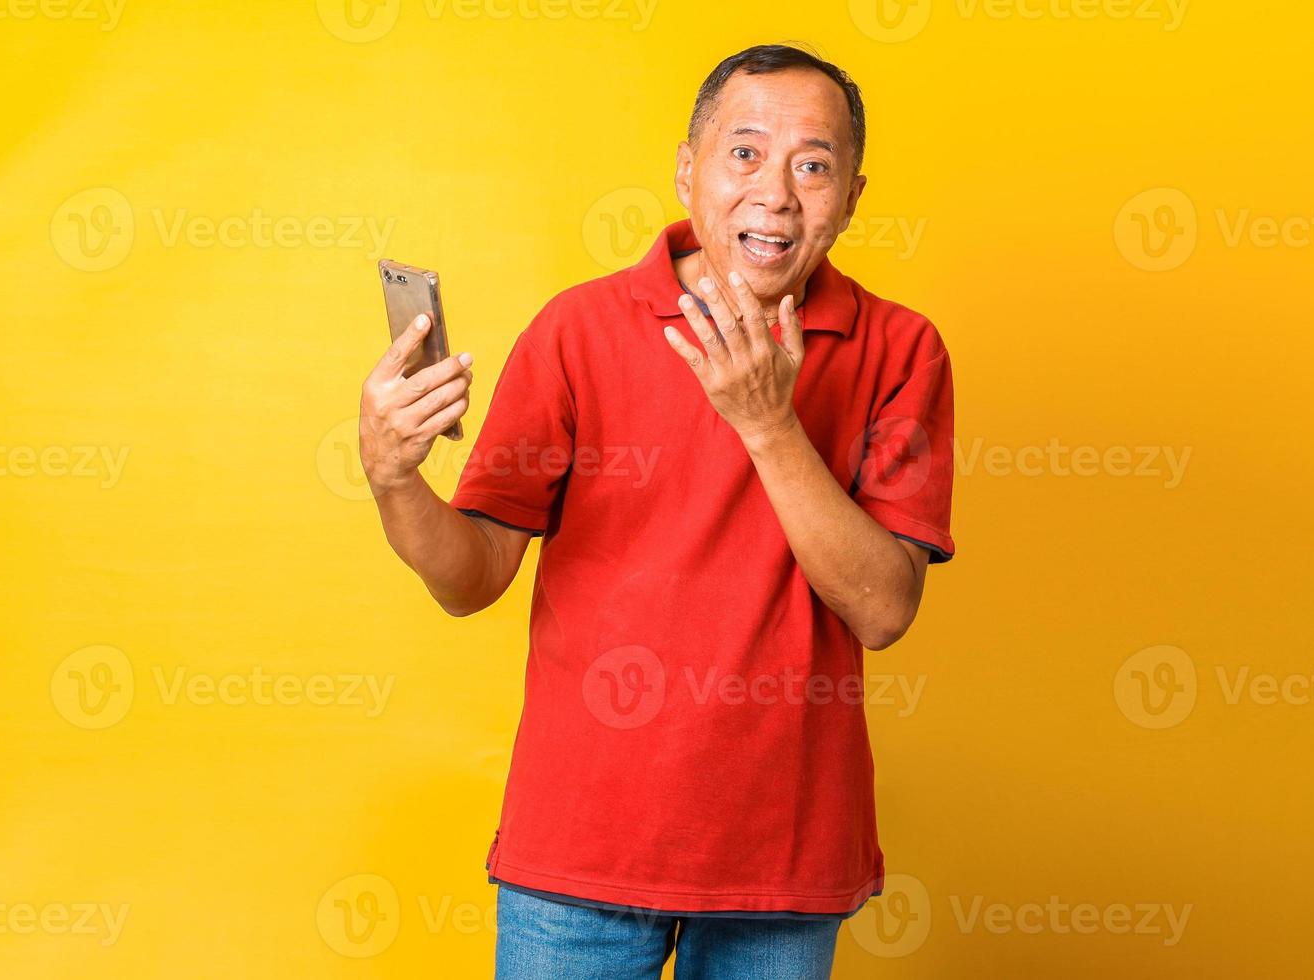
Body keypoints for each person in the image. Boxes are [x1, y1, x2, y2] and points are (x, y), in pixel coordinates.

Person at [358, 43, 956, 980]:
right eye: (745, 153)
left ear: (853, 194)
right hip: (579, 857)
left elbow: (883, 609)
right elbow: (471, 579)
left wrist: (767, 423)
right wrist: (395, 478)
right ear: (687, 169)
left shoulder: (900, 349)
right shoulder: (577, 331)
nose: (777, 194)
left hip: (784, 866)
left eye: (814, 164)